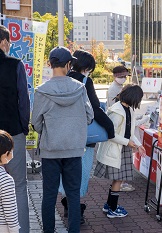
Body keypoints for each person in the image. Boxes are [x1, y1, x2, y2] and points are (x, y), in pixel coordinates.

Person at [31, 46, 94, 233]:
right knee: (73, 195)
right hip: (74, 150)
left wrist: (49, 131)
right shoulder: (80, 88)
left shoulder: (42, 90)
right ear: (68, 64)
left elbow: (35, 122)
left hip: (51, 150)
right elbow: (89, 116)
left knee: (49, 196)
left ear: (50, 64)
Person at [58, 50, 115, 224]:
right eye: (89, 67)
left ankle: (68, 204)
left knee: (65, 172)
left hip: (61, 136)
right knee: (80, 173)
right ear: (85, 66)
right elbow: (95, 108)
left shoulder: (60, 79)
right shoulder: (85, 81)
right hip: (83, 137)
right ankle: (76, 211)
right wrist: (109, 128)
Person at [94, 84, 146, 218]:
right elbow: (111, 134)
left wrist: (138, 145)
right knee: (118, 180)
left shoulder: (128, 109)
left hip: (121, 149)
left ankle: (109, 205)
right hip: (115, 150)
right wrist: (127, 142)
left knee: (118, 180)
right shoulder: (117, 112)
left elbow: (129, 132)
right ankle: (112, 209)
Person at [0, 25, 30, 233]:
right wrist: (24, 126)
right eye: (8, 42)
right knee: (18, 184)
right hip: (12, 131)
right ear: (3, 42)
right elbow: (23, 101)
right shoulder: (15, 65)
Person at [106, 65, 136, 192]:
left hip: (121, 129)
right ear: (115, 76)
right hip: (118, 129)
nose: (123, 79)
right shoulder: (114, 90)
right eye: (121, 76)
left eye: (125, 76)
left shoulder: (119, 88)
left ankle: (119, 183)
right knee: (119, 160)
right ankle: (119, 184)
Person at [0, 130, 20, 233]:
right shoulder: (5, 180)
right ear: (4, 154)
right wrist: (15, 230)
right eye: (11, 151)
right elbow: (10, 211)